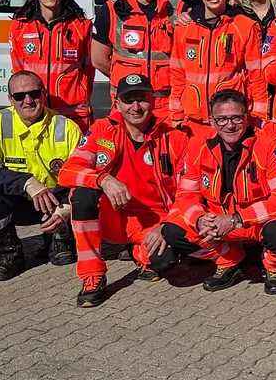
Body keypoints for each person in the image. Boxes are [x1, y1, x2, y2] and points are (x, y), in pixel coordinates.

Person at [59, 74, 191, 307]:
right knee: (81, 195)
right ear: (117, 103)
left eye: (142, 99)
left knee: (165, 262)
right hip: (112, 217)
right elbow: (67, 172)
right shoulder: (101, 130)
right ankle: (92, 275)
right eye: (128, 100)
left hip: (153, 221)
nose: (136, 107)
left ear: (153, 100)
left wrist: (167, 225)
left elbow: (186, 193)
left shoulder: (175, 137)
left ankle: (139, 252)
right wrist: (103, 179)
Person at [149, 90, 276, 294]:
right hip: (216, 223)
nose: (229, 125)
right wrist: (200, 219)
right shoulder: (198, 147)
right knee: (174, 231)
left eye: (236, 118)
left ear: (247, 117)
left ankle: (274, 267)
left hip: (256, 224)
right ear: (211, 121)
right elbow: (185, 194)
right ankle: (229, 259)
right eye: (221, 119)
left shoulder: (268, 145)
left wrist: (236, 219)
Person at [0, 72, 81, 281]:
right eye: (20, 96)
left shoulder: (65, 126)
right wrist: (26, 182)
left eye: (34, 93)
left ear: (44, 93)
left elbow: (83, 173)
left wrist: (67, 209)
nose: (28, 100)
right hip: (17, 202)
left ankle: (59, 237)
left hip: (56, 202)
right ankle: (9, 252)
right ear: (10, 99)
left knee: (81, 194)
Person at [169, 0, 268, 139]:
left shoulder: (245, 26)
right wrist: (176, 112)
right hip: (193, 121)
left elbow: (256, 76)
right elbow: (178, 74)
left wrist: (259, 116)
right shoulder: (184, 28)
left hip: (230, 122)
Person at [91, 0, 182, 120]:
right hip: (126, 104)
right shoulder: (111, 8)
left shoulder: (176, 9)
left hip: (165, 105)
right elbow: (98, 59)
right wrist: (126, 79)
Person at [9, 0, 95, 130]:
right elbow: (19, 71)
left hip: (74, 111)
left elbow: (89, 69)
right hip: (36, 111)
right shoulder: (19, 27)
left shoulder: (81, 26)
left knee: (77, 155)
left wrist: (81, 94)